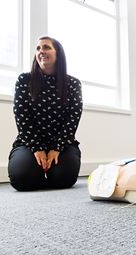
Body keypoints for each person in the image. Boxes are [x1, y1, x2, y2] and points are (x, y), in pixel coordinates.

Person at [8, 36, 83, 191]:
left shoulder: (73, 84)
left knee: (64, 179)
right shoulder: (24, 80)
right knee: (22, 179)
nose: (41, 51)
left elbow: (72, 119)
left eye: (46, 47)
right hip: (29, 143)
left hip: (63, 144)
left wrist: (56, 147)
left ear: (58, 53)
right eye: (38, 48)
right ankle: (36, 173)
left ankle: (49, 174)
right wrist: (37, 148)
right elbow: (22, 116)